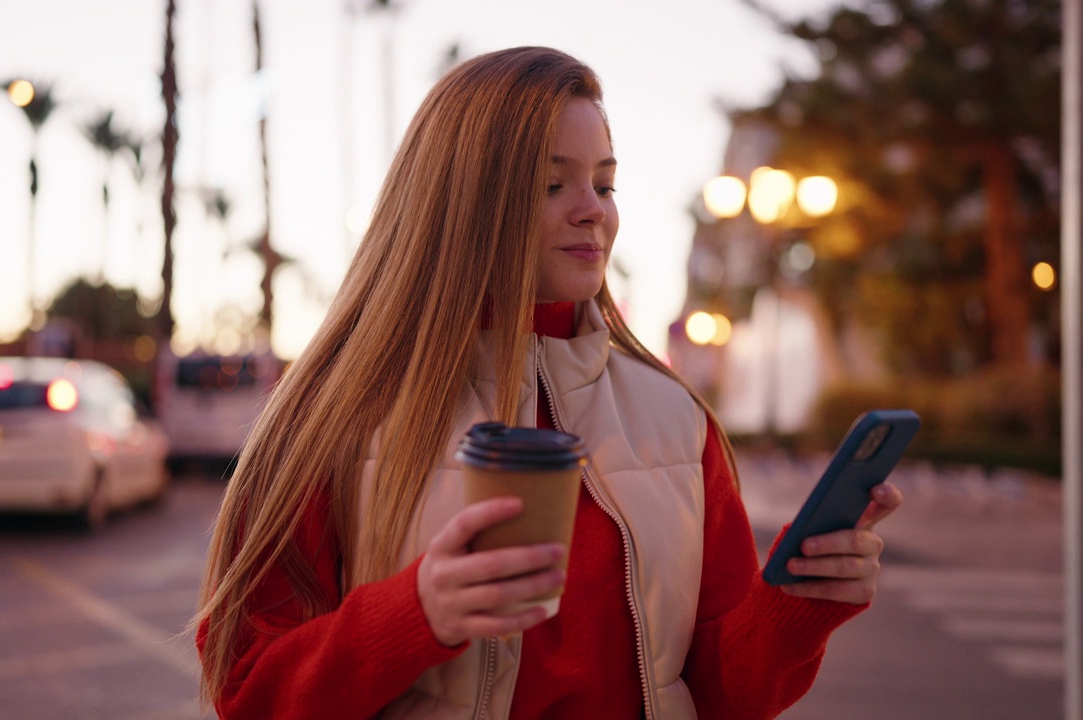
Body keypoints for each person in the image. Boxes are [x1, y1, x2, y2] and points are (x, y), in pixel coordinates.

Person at [191, 46, 902, 720]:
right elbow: (249, 691)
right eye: (552, 183)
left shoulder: (676, 418)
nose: (593, 208)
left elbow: (718, 695)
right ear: (461, 202)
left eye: (605, 182)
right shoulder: (337, 415)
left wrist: (798, 604)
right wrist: (414, 618)